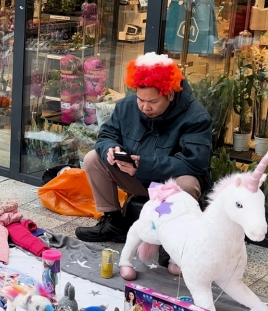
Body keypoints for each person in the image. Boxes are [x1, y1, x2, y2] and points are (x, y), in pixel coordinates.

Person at [75, 52, 212, 243]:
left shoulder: (196, 117)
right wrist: (111, 149)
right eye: (141, 99)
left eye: (153, 102)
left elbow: (195, 163)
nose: (145, 107)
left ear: (170, 94)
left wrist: (144, 166)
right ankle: (114, 222)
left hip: (168, 186)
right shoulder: (128, 106)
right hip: (136, 176)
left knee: (187, 183)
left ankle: (175, 236)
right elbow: (106, 135)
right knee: (93, 158)